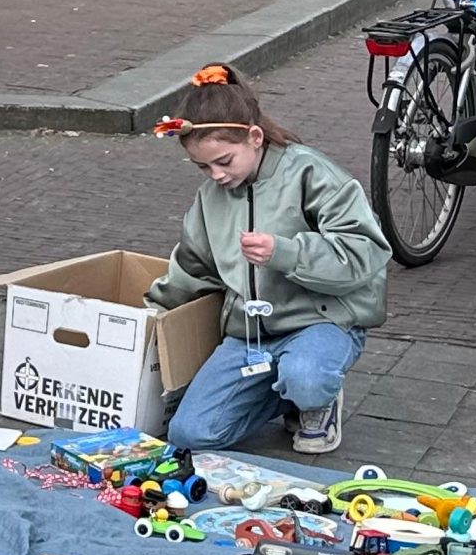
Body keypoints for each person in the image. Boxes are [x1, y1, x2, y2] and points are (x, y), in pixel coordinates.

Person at [147, 65, 389, 454]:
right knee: (189, 435)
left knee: (306, 375)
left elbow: (367, 252)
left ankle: (314, 397)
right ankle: (288, 394)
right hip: (250, 334)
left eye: (224, 161)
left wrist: (286, 252)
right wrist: (149, 315)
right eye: (203, 167)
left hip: (323, 320)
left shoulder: (311, 172)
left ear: (254, 138)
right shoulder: (210, 198)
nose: (216, 175)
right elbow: (193, 267)